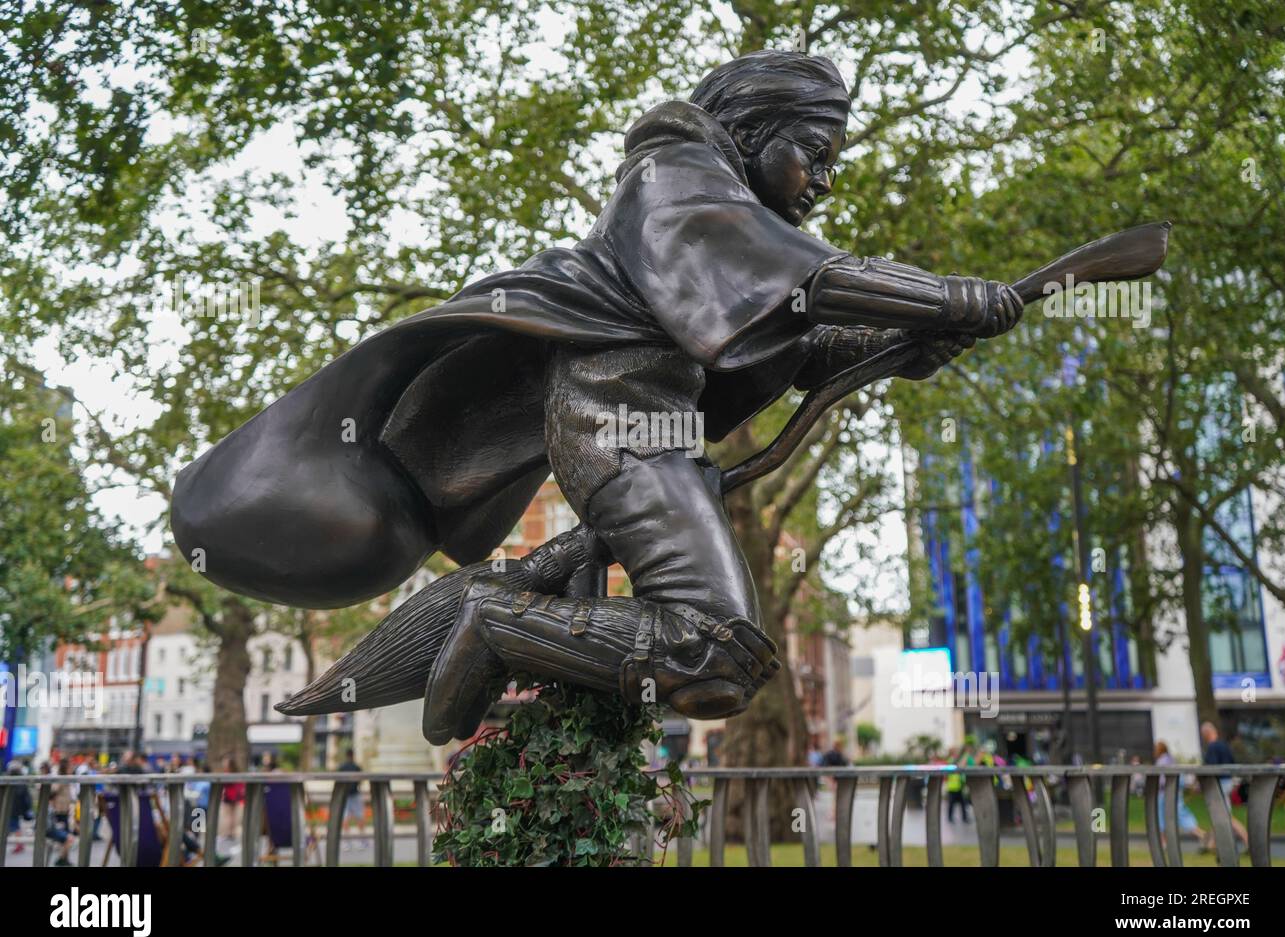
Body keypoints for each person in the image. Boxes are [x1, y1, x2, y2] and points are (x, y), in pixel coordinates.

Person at [173, 50, 1023, 743]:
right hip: (620, 431)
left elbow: (798, 332)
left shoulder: (724, 224)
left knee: (724, 659)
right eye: (817, 153)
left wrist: (913, 345)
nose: (823, 182)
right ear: (756, 129)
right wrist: (947, 296)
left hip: (654, 437)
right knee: (713, 655)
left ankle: (520, 644)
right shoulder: (674, 179)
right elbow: (816, 278)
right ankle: (494, 622)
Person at [1200, 721, 1249, 848]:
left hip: (1220, 783)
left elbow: (1212, 768)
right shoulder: (1224, 745)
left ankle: (1247, 840)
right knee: (1218, 813)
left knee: (1225, 815)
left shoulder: (1212, 747)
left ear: (1206, 734)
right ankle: (1211, 844)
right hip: (1228, 781)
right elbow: (1232, 762)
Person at [1154, 740, 1206, 850]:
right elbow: (1181, 780)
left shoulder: (1161, 762)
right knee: (1182, 815)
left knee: (1161, 817)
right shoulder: (1172, 760)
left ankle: (1164, 842)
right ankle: (1203, 835)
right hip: (1176, 793)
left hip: (1164, 794)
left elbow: (1160, 781)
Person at [338, 749, 366, 850]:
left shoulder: (342, 767)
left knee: (345, 818)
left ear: (346, 755)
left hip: (345, 795)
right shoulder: (356, 767)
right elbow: (360, 781)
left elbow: (338, 781)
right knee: (359, 817)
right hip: (355, 794)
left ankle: (347, 842)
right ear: (353, 755)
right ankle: (363, 840)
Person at [945, 745, 972, 825]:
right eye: (955, 752)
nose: (957, 753)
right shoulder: (951, 760)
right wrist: (966, 754)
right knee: (951, 804)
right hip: (952, 787)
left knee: (963, 804)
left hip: (959, 786)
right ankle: (950, 818)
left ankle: (964, 818)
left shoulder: (955, 760)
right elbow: (958, 766)